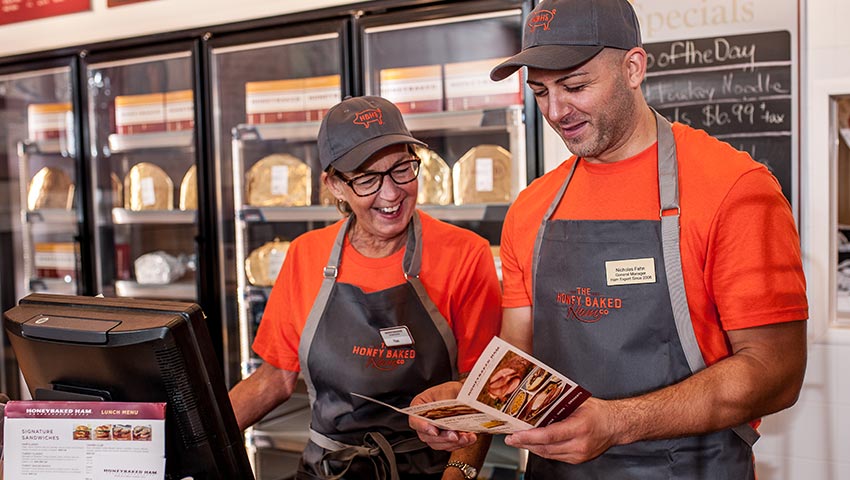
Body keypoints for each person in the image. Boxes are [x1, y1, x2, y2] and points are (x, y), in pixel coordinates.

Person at [409, 0, 809, 478]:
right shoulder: (532, 207)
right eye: (540, 92)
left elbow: (776, 372)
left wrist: (618, 422)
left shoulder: (733, 188)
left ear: (633, 68)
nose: (556, 112)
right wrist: (467, 402)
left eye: (575, 86)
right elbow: (517, 358)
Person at [228, 95, 502, 480]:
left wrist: (459, 474)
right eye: (368, 179)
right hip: (326, 470)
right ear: (336, 186)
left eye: (402, 170)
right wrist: (185, 443)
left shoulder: (464, 254)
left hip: (428, 470)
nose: (391, 194)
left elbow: (484, 391)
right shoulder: (306, 255)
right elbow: (274, 379)